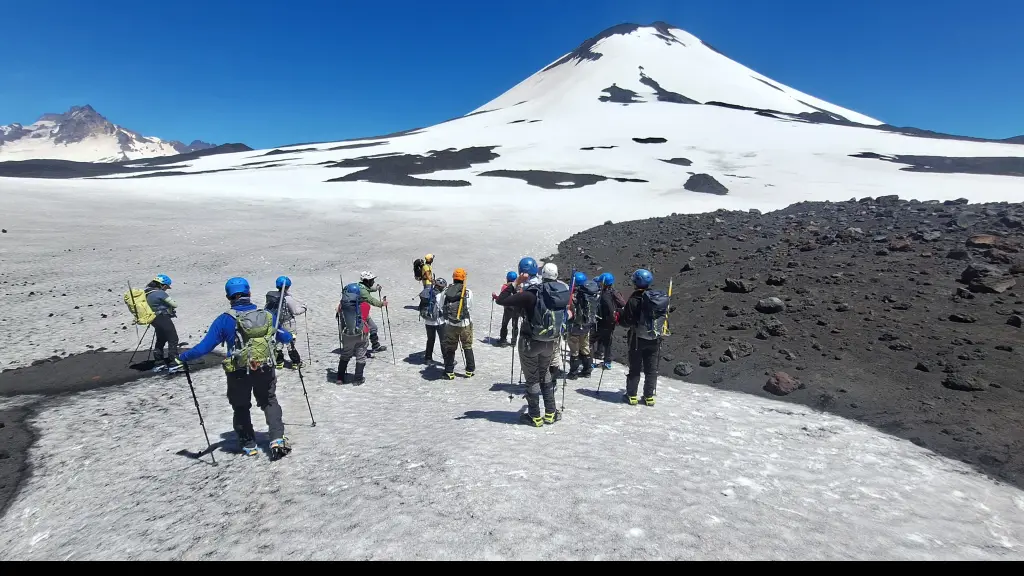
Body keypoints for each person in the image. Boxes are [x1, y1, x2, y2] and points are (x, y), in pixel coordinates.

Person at [177, 277, 293, 457]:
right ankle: (277, 438)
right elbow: (284, 337)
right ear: (249, 293)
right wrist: (288, 338)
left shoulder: (225, 320)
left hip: (238, 371)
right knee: (269, 400)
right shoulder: (267, 316)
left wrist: (182, 357)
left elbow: (204, 348)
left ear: (228, 297)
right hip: (264, 367)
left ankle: (249, 444)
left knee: (240, 406)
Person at [495, 258, 569, 427]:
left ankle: (534, 416)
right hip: (550, 342)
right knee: (546, 376)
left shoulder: (532, 293)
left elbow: (502, 300)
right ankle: (551, 413)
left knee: (532, 379)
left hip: (530, 342)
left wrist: (515, 283)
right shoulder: (561, 293)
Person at [617, 269, 667, 407]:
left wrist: (619, 317)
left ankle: (631, 395)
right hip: (654, 338)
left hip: (637, 338)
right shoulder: (657, 298)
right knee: (651, 369)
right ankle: (649, 397)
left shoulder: (634, 299)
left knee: (635, 368)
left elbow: (627, 321)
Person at [266, 276, 307, 369]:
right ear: (288, 286)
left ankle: (279, 362)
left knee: (278, 342)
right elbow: (295, 311)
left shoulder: (272, 297)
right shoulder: (287, 298)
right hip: (288, 323)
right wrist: (304, 308)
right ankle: (296, 362)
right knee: (290, 342)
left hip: (277, 323)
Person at [441, 268, 475, 379]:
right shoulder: (468, 292)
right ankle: (469, 370)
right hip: (465, 324)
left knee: (450, 347)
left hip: (450, 324)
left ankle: (449, 370)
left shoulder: (446, 291)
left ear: (454, 278)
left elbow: (442, 305)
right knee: (467, 346)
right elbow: (469, 307)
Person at [336, 283, 371, 385]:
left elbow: (339, 315)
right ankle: (357, 379)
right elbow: (365, 317)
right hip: (361, 334)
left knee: (345, 355)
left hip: (346, 334)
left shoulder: (342, 305)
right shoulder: (364, 305)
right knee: (360, 356)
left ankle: (340, 378)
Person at [145, 274, 180, 372]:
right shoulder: (160, 293)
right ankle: (174, 362)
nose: (166, 289)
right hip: (163, 318)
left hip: (153, 319)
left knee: (161, 339)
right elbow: (174, 304)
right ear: (162, 285)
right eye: (166, 287)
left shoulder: (146, 292)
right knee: (173, 338)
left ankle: (159, 362)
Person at [567, 271, 598, 379]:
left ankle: (573, 373)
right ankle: (587, 371)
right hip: (587, 326)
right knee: (585, 348)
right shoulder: (590, 294)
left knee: (574, 350)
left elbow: (570, 311)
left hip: (575, 327)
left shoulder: (573, 296)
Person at [592, 272, 625, 371]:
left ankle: (590, 361)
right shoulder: (613, 292)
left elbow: (610, 309)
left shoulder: (605, 295)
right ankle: (607, 361)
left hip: (604, 322)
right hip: (610, 323)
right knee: (607, 342)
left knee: (591, 340)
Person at [418, 277, 447, 365]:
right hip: (439, 321)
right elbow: (443, 307)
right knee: (443, 341)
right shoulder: (440, 295)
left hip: (428, 321)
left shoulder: (428, 292)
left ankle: (428, 358)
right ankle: (447, 360)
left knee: (430, 340)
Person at [358, 271, 388, 355]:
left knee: (373, 327)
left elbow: (368, 289)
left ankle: (375, 346)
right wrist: (381, 304)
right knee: (365, 330)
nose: (373, 281)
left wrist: (376, 288)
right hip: (359, 313)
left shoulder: (360, 285)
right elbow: (370, 300)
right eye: (372, 280)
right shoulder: (362, 291)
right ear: (366, 281)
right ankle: (361, 349)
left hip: (362, 311)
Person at [496, 271, 519, 346]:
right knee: (515, 325)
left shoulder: (505, 287)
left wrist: (495, 297)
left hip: (507, 309)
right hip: (516, 309)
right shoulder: (518, 287)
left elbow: (501, 298)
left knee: (504, 324)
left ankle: (503, 340)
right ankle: (514, 341)